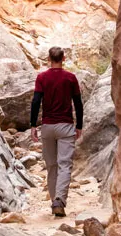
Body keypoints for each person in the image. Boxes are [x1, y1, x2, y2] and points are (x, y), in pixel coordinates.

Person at [30, 47, 83, 217]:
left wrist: (33, 126)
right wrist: (79, 125)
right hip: (66, 126)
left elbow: (36, 101)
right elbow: (78, 103)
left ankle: (55, 201)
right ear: (64, 58)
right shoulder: (70, 78)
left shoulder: (42, 78)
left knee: (52, 166)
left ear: (48, 59)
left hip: (47, 127)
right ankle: (59, 200)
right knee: (64, 164)